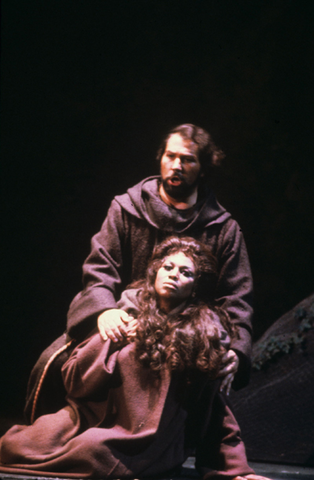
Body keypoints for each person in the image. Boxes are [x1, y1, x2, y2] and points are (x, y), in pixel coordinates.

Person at [25, 123, 253, 424]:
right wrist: (103, 311)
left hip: (188, 329)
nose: (177, 166)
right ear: (160, 158)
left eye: (188, 159)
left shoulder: (223, 229)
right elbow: (99, 267)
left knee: (209, 377)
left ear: (203, 168)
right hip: (125, 317)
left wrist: (236, 350)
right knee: (52, 364)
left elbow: (236, 297)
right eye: (170, 156)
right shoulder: (125, 208)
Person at [0, 237, 261, 480]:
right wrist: (115, 338)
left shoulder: (204, 334)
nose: (174, 274)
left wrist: (234, 469)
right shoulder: (124, 313)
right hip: (89, 415)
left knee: (93, 452)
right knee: (13, 444)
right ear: (155, 271)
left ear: (195, 286)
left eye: (186, 272)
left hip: (143, 440)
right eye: (168, 266)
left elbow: (215, 406)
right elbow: (75, 378)